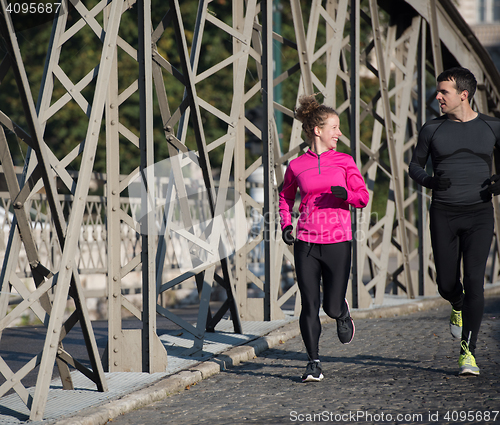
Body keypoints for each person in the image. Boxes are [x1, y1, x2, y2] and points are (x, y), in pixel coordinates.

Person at [409, 67, 500, 376]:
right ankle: (455, 303)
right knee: (448, 284)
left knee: (476, 281)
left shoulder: (492, 127)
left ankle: (468, 353)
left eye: (443, 92)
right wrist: (429, 182)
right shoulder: (431, 129)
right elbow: (414, 165)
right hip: (444, 214)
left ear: (464, 95)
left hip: (479, 215)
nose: (437, 97)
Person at [279, 94, 369, 382]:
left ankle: (341, 312)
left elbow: (363, 198)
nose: (339, 133)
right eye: (335, 128)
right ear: (318, 131)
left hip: (338, 241)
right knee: (308, 303)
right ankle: (313, 363)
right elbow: (285, 196)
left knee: (329, 307)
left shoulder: (344, 161)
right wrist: (285, 225)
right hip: (306, 242)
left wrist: (348, 195)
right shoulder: (296, 166)